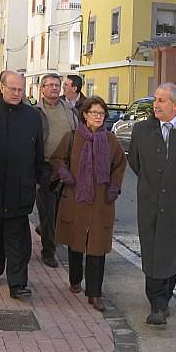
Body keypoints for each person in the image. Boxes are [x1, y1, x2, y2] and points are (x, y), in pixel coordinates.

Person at [128, 82, 176, 325]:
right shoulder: (141, 130)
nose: (156, 105)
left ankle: (164, 299)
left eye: (161, 100)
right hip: (150, 201)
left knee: (172, 253)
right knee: (152, 253)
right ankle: (157, 305)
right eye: (155, 100)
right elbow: (135, 162)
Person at [50, 96, 127, 312]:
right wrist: (64, 173)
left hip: (101, 201)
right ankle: (75, 279)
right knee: (76, 242)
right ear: (85, 114)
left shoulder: (110, 140)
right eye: (94, 113)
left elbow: (120, 164)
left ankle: (95, 293)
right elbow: (56, 158)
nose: (98, 117)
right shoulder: (72, 137)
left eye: (101, 113)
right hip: (76, 198)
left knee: (97, 247)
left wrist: (114, 186)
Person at [0, 71, 44, 299]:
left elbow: (38, 153)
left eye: (21, 90)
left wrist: (38, 179)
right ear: (1, 88)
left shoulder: (33, 117)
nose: (17, 93)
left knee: (18, 237)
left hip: (19, 187)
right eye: (12, 89)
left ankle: (17, 283)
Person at [34, 73, 79, 268]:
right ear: (42, 88)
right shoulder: (35, 111)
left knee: (62, 210)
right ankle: (49, 251)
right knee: (47, 211)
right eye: (50, 85)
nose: (54, 88)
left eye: (57, 85)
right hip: (44, 167)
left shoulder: (69, 110)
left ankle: (46, 232)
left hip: (65, 168)